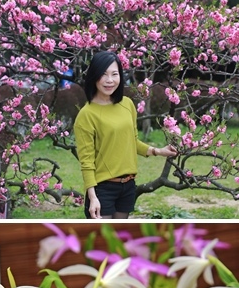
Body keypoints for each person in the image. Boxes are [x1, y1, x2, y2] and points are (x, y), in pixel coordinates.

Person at [74, 51, 177, 219]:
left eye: (114, 74)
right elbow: (87, 161)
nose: (109, 80)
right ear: (94, 76)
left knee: (120, 238)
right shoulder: (86, 115)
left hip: (128, 186)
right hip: (102, 189)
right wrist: (93, 197)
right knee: (104, 242)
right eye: (103, 74)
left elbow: (131, 141)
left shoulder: (127, 104)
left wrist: (158, 151)